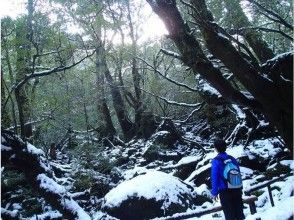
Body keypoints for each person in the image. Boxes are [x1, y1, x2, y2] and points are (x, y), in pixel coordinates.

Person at [210, 139, 245, 220]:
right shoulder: (232, 159)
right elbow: (238, 172)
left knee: (230, 216)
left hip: (225, 191)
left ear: (216, 148)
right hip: (236, 188)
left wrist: (214, 193)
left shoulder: (216, 161)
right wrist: (240, 188)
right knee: (239, 214)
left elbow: (214, 177)